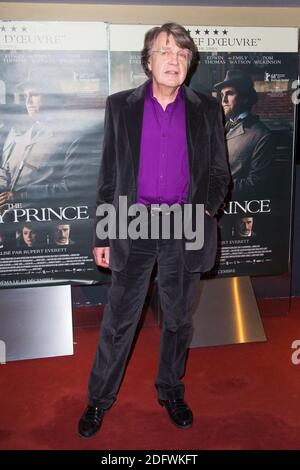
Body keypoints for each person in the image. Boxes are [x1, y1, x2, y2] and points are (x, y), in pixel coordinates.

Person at [78, 23, 230, 439]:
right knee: (119, 320)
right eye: (166, 51)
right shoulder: (120, 106)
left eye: (182, 54)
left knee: (178, 319)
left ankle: (170, 390)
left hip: (184, 225)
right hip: (134, 224)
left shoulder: (206, 108)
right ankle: (98, 400)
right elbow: (109, 175)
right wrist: (103, 234)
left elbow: (219, 173)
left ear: (189, 64)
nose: (174, 60)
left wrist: (202, 214)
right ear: (148, 61)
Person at [0, 68, 77, 210]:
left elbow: (71, 187)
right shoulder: (17, 132)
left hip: (43, 219)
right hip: (10, 220)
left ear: (53, 96)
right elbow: (5, 168)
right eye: (25, 96)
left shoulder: (71, 137)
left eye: (34, 94)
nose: (28, 101)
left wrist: (21, 195)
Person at [214, 70, 273, 199]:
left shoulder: (262, 135)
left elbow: (256, 183)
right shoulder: (219, 128)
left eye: (230, 94)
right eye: (222, 94)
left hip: (235, 207)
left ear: (245, 98)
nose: (223, 100)